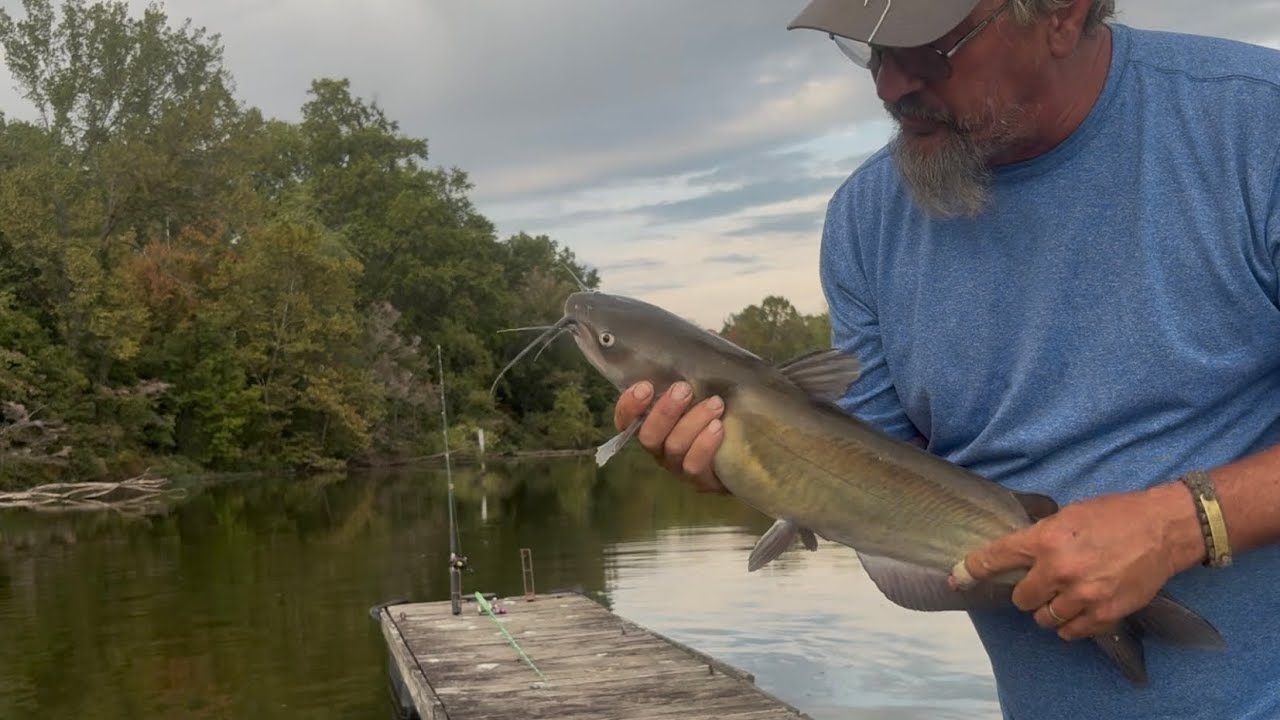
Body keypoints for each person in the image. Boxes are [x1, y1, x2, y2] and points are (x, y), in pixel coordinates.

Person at [611, 1, 1280, 718]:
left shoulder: (1255, 127)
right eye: (868, 48)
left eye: (926, 47)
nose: (888, 84)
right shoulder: (865, 221)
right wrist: (760, 466)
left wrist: (1178, 525)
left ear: (1062, 15)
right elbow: (881, 513)